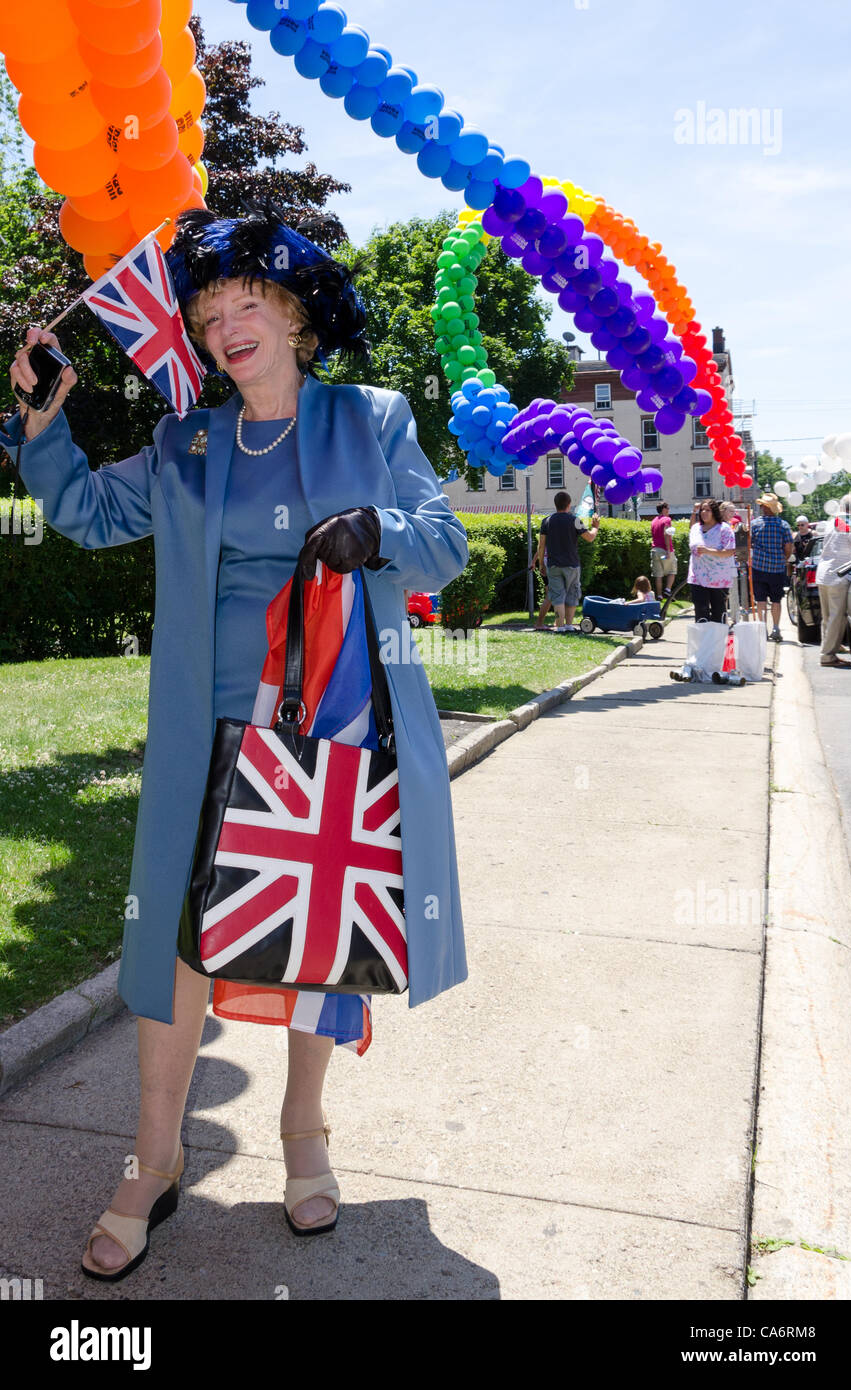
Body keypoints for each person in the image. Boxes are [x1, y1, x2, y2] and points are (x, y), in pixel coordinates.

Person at [1, 204, 470, 1275]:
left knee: (315, 929)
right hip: (199, 729)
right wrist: (43, 421)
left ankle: (304, 1136)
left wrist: (376, 534)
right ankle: (153, 1158)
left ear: (295, 316)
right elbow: (80, 509)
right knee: (179, 937)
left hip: (335, 712)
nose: (224, 324)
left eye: (246, 301)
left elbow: (440, 542)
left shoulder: (374, 419)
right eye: (208, 311)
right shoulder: (186, 440)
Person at [537, 491, 599, 631]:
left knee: (557, 596)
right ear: (569, 504)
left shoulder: (547, 521)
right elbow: (589, 538)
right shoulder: (575, 520)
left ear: (556, 504)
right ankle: (569, 625)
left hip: (553, 565)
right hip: (572, 564)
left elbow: (541, 545)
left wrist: (541, 564)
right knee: (572, 594)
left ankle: (560, 627)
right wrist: (595, 527)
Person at [816, 507, 851, 667]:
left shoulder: (833, 521)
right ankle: (828, 656)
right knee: (837, 618)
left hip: (824, 574)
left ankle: (829, 648)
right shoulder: (850, 524)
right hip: (838, 576)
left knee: (828, 617)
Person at [750, 494, 793, 642]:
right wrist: (783, 558)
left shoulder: (755, 524)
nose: (761, 507)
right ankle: (775, 628)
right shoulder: (784, 525)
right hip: (777, 568)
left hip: (759, 567)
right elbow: (788, 547)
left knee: (760, 600)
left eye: (762, 505)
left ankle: (763, 628)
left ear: (765, 507)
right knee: (776, 600)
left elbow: (750, 544)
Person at [686, 498, 736, 623]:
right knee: (701, 612)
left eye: (707, 510)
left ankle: (719, 641)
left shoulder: (724, 529)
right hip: (697, 576)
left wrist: (708, 551)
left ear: (714, 512)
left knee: (718, 614)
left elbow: (730, 551)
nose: (704, 512)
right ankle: (703, 641)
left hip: (718, 578)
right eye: (702, 510)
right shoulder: (695, 528)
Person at [719, 501, 745, 622]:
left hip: (731, 562)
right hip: (720, 563)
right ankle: (722, 617)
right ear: (723, 511)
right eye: (731, 511)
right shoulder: (718, 526)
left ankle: (735, 618)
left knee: (733, 591)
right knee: (722, 594)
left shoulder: (730, 525)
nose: (733, 513)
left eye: (734, 511)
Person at [650, 501, 677, 599]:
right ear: (664, 509)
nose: (669, 510)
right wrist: (668, 550)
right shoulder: (667, 519)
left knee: (658, 574)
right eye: (668, 508)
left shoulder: (653, 521)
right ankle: (668, 590)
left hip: (655, 550)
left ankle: (659, 596)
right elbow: (666, 534)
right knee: (672, 570)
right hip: (664, 550)